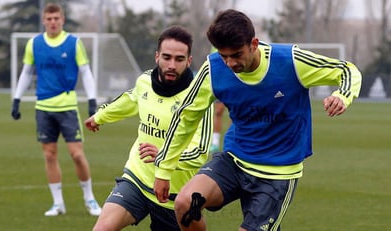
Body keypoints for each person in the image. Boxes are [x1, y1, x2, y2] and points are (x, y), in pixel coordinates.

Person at [153, 9, 362, 231]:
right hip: (234, 162)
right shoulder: (214, 70)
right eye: (224, 56)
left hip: (278, 174)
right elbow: (185, 117)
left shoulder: (290, 62)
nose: (230, 63)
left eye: (236, 55)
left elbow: (346, 70)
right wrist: (163, 170)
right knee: (185, 205)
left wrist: (342, 95)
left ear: (253, 44)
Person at [84, 26, 213, 231]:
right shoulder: (145, 81)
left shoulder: (200, 98)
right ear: (157, 57)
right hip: (137, 179)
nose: (171, 65)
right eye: (166, 57)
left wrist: (163, 157)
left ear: (189, 61)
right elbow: (130, 99)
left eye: (179, 59)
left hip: (173, 194)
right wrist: (100, 116)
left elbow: (200, 153)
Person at [10, 3, 101, 217]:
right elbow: (26, 72)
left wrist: (91, 100)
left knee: (77, 154)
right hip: (43, 108)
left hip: (68, 107)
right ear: (44, 20)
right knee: (49, 155)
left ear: (62, 20)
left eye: (56, 18)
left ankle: (90, 199)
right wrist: (16, 99)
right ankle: (58, 203)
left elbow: (86, 72)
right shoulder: (34, 44)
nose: (52, 22)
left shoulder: (73, 43)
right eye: (49, 19)